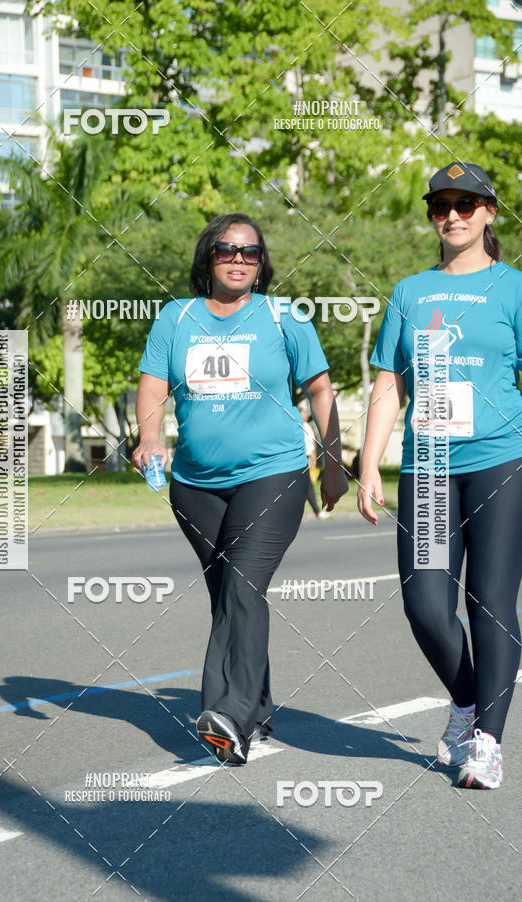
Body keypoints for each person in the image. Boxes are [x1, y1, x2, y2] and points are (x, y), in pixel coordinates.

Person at [133, 212, 348, 764]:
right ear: (208, 256)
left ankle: (226, 714)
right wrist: (150, 437)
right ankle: (259, 705)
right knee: (229, 594)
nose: (237, 258)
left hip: (273, 475)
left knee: (242, 589)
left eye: (249, 252)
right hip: (195, 485)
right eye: (226, 249)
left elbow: (321, 390)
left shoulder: (284, 316)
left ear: (261, 263)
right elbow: (153, 383)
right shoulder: (176, 318)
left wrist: (333, 458)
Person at [357, 162, 522, 789]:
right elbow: (389, 383)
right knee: (426, 604)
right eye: (440, 205)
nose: (451, 215)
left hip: (501, 460)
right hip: (428, 468)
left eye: (465, 203)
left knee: (490, 603)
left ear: (489, 212)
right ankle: (465, 703)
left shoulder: (513, 288)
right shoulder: (411, 292)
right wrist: (369, 462)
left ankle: (487, 744)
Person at [298, 400, 329, 519]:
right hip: (300, 458)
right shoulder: (298, 426)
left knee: (306, 485)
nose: (305, 415)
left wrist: (313, 457)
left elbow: (311, 444)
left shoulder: (307, 426)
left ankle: (316, 511)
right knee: (306, 485)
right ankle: (317, 511)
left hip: (307, 458)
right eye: (303, 413)